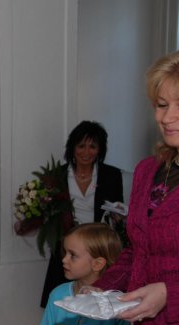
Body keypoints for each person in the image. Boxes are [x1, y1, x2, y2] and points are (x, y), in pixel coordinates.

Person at [94, 45, 179, 325]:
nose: (167, 117)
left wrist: (170, 294)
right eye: (161, 105)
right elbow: (139, 250)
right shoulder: (148, 170)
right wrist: (98, 290)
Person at [40, 121, 123, 308]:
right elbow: (48, 213)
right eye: (81, 146)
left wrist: (119, 215)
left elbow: (117, 211)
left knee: (96, 301)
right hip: (67, 247)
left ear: (100, 150)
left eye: (92, 146)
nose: (86, 152)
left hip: (97, 246)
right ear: (72, 147)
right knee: (62, 301)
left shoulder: (112, 175)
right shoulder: (56, 176)